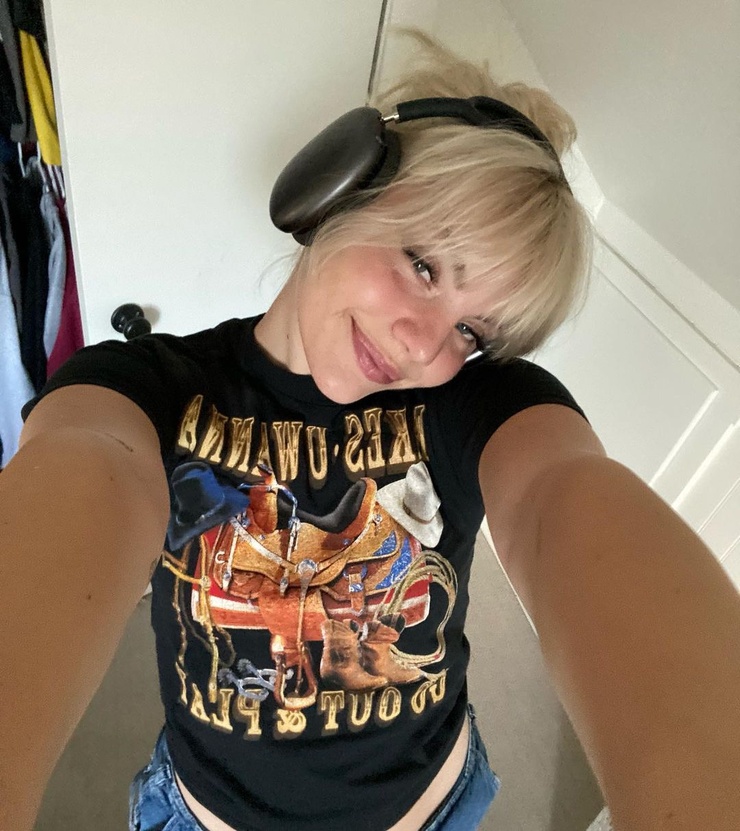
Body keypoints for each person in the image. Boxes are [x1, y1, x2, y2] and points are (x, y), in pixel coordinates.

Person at [2, 30, 739, 831]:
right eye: (423, 266)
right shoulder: (147, 389)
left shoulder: (474, 407)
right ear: (338, 189)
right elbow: (87, 467)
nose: (424, 346)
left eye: (471, 332)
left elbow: (560, 494)